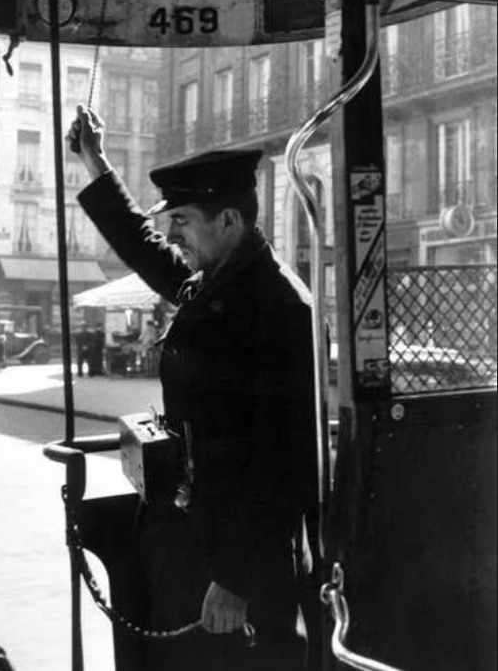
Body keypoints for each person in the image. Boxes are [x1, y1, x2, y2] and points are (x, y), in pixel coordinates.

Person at [67, 104, 317, 671]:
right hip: (193, 542)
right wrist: (95, 162)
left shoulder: (278, 308)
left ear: (229, 220)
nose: (171, 234)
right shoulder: (215, 280)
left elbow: (287, 462)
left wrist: (234, 579)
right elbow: (142, 247)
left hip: (237, 570)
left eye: (181, 220)